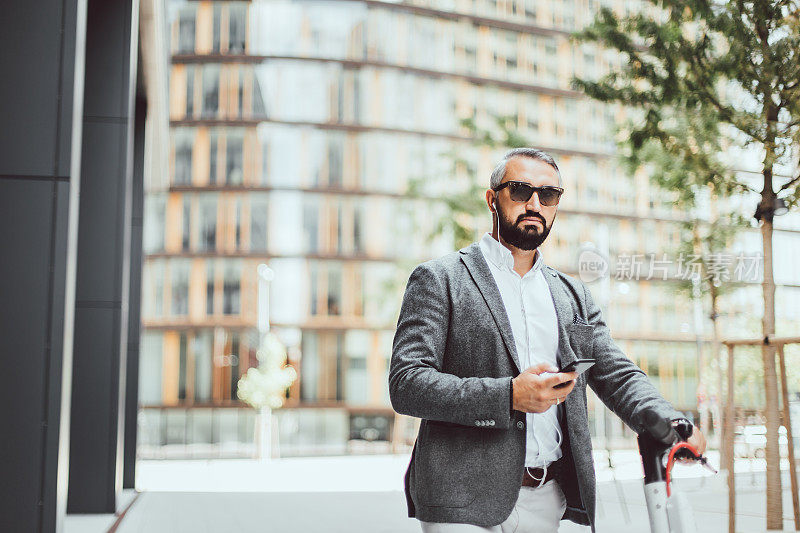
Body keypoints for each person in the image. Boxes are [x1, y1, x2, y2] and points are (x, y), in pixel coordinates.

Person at [388, 147, 706, 532]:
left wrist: (669, 420)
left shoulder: (572, 294)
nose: (535, 204)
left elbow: (615, 372)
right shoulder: (439, 279)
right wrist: (508, 396)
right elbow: (407, 383)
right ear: (493, 199)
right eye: (521, 191)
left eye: (549, 195)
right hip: (460, 499)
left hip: (547, 496)